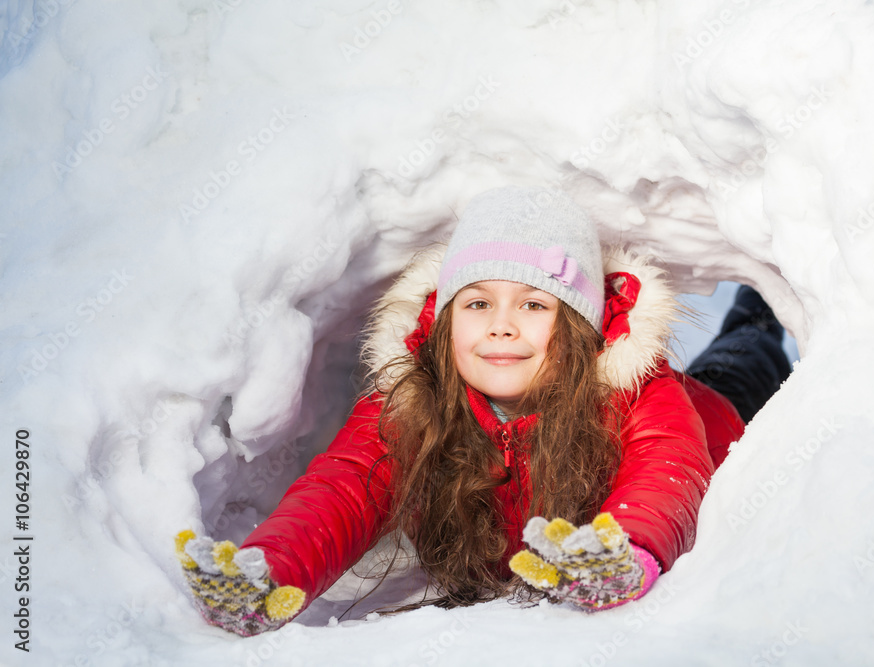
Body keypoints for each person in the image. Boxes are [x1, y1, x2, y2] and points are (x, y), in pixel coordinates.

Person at [174, 186, 789, 637]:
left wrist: (622, 552)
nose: (500, 327)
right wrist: (272, 568)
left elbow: (666, 474)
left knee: (745, 357)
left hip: (719, 412)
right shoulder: (413, 400)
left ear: (579, 326)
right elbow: (343, 487)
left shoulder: (638, 390)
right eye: (476, 305)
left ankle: (756, 314)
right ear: (442, 323)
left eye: (532, 305)